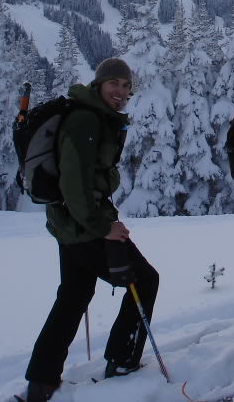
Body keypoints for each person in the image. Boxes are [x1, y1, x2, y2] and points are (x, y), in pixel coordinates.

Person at [22, 58, 159, 402]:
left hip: (68, 223)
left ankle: (41, 381)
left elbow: (88, 177)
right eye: (114, 83)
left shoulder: (93, 116)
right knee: (144, 280)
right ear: (98, 84)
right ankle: (123, 360)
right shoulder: (85, 119)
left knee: (73, 295)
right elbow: (75, 182)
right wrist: (103, 226)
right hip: (83, 224)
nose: (121, 92)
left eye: (127, 86)